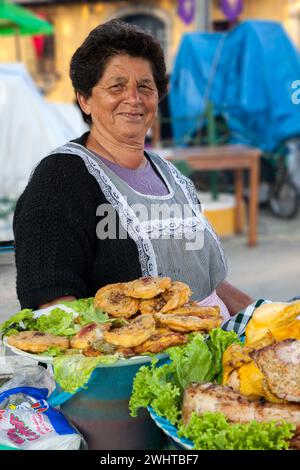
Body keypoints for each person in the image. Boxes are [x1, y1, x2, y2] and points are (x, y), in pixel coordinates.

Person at [13, 19, 253, 322]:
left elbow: (212, 285)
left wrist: (268, 316)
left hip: (212, 353)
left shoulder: (174, 178)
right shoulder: (60, 180)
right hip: (131, 364)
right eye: (117, 86)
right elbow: (53, 308)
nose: (134, 99)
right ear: (85, 99)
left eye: (145, 87)